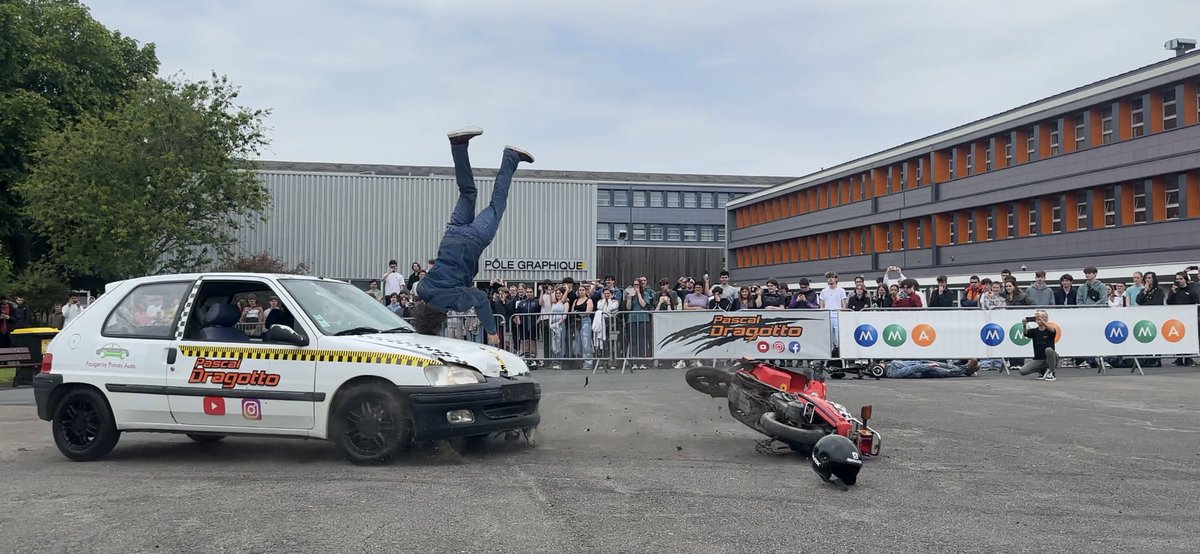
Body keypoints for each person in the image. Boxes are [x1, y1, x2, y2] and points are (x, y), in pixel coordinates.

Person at [411, 126, 534, 346]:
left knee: (497, 204)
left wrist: (492, 331)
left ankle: (511, 158)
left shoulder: (455, 302)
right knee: (467, 192)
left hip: (473, 240)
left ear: (439, 321)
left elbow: (480, 300)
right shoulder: (422, 289)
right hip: (452, 233)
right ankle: (458, 145)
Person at [1017, 310, 1059, 381]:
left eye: (1041, 318)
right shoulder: (1034, 331)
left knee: (1048, 350)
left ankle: (1052, 373)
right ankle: (1042, 371)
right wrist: (1024, 325)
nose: (1039, 320)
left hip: (1051, 359)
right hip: (1038, 359)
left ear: (1045, 318)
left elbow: (1053, 331)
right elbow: (1025, 334)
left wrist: (1043, 321)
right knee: (1022, 371)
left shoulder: (1050, 330)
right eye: (1037, 318)